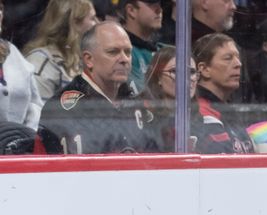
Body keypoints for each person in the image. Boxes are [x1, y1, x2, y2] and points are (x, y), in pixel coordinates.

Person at [39, 21, 155, 153]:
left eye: (128, 52)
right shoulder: (60, 109)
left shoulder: (136, 103)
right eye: (113, 52)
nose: (124, 59)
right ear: (89, 59)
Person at [23, 0, 98, 101]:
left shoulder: (82, 58)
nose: (98, 23)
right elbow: (39, 114)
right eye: (93, 18)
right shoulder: (41, 62)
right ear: (75, 23)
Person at [193, 32, 254, 153]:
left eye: (238, 57)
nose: (238, 64)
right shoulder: (200, 113)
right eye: (228, 58)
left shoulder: (227, 110)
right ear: (204, 69)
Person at [140, 45, 199, 152]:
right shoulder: (139, 115)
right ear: (157, 77)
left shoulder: (203, 119)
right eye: (175, 71)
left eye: (191, 72)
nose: (186, 78)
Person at [0, 0, 43, 130]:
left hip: (16, 145)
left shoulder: (12, 53)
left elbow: (35, 104)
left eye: (0, 9)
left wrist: (27, 137)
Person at [118, 0, 163, 94]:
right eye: (151, 4)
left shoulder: (165, 50)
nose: (159, 10)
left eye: (160, 4)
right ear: (131, 10)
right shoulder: (116, 51)